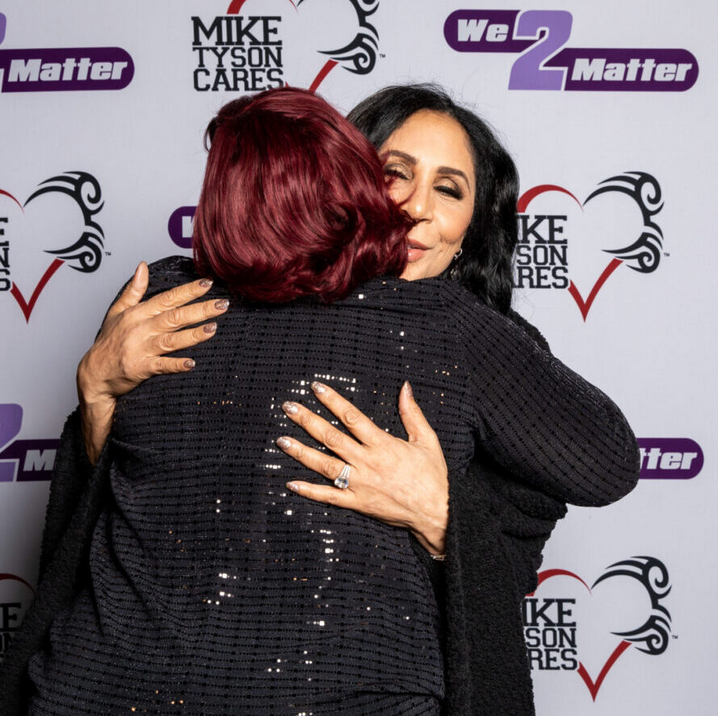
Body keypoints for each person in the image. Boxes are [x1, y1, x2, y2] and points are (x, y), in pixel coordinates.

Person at [0, 86, 640, 716]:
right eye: (395, 175)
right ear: (342, 181)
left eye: (448, 190)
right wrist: (96, 390)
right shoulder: (177, 302)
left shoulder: (474, 338)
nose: (416, 208)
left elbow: (596, 470)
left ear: (472, 230)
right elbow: (123, 504)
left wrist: (442, 510)